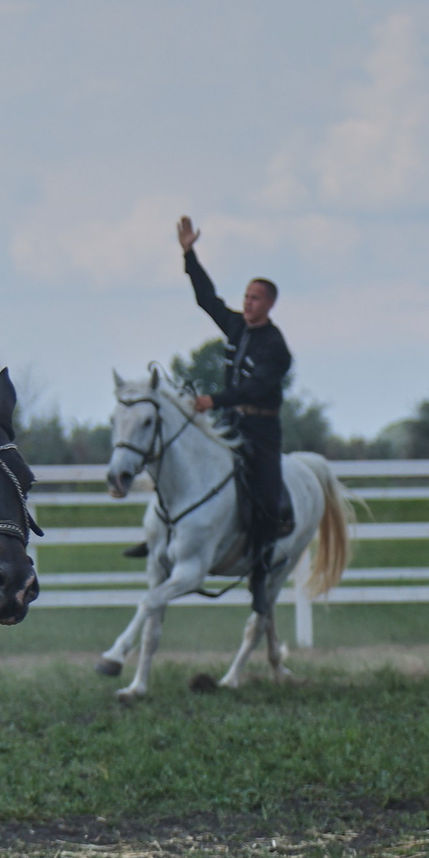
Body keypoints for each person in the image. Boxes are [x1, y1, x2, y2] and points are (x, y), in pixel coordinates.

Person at [175, 216, 294, 608]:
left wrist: (216, 400)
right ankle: (166, 534)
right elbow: (206, 298)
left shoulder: (275, 346)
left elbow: (257, 386)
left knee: (265, 497)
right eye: (245, 296)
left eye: (255, 298)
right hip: (230, 423)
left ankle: (261, 569)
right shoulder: (237, 327)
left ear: (270, 304)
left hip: (260, 429)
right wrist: (189, 253)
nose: (247, 302)